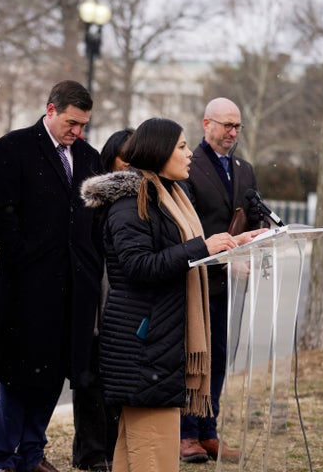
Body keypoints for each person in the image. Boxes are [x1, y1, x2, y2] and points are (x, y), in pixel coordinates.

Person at [80, 117, 263, 472]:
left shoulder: (168, 195)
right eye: (181, 146)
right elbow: (139, 267)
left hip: (156, 338)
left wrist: (228, 246)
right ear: (159, 151)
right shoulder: (132, 201)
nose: (189, 154)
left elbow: (176, 256)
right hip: (144, 340)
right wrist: (200, 247)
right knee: (154, 454)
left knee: (135, 454)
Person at [0, 79, 104, 472]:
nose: (77, 132)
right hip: (27, 288)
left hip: (75, 289)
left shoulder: (88, 157)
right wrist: (25, 258)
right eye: (71, 122)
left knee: (54, 376)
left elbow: (94, 221)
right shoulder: (13, 148)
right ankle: (6, 458)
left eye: (83, 124)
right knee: (18, 376)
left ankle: (33, 453)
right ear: (51, 110)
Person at [180, 97, 262, 463]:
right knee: (196, 357)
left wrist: (253, 246)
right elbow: (187, 226)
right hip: (199, 278)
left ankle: (209, 430)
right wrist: (222, 260)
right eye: (226, 125)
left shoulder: (245, 169)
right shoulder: (188, 166)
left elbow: (252, 218)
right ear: (206, 124)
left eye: (237, 127)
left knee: (220, 359)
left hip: (233, 282)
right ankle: (186, 434)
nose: (232, 133)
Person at [71, 128, 133, 472]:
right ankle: (92, 453)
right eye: (124, 158)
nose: (129, 166)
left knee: (118, 382)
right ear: (109, 160)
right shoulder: (93, 199)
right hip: (96, 296)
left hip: (126, 299)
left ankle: (113, 449)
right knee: (91, 379)